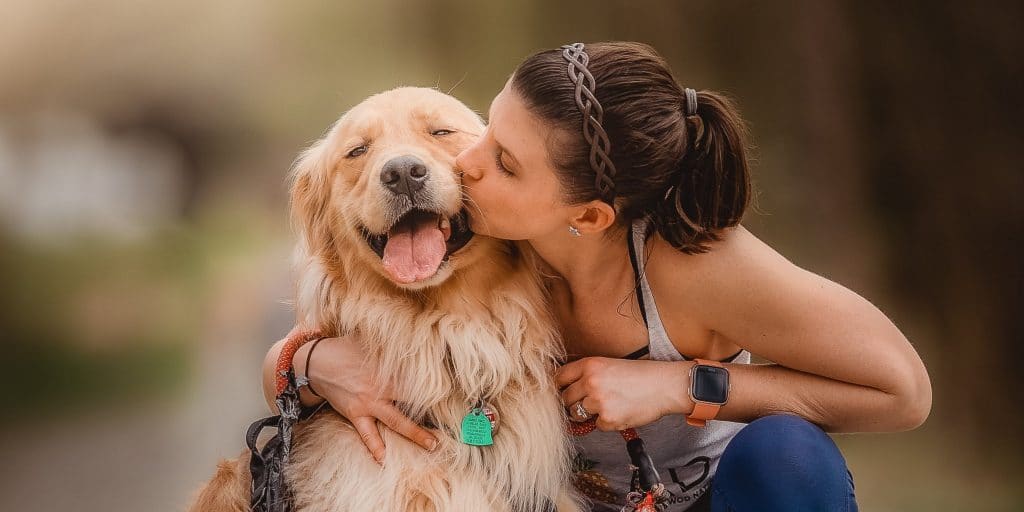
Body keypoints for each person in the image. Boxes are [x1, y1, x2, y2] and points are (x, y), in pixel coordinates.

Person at [261, 42, 931, 512]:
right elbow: (324, 351)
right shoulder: (494, 270)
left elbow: (901, 393)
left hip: (716, 497)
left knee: (787, 453)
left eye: (503, 162)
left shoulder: (695, 263)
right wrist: (309, 360)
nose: (465, 165)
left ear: (588, 214)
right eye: (485, 134)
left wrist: (676, 384)